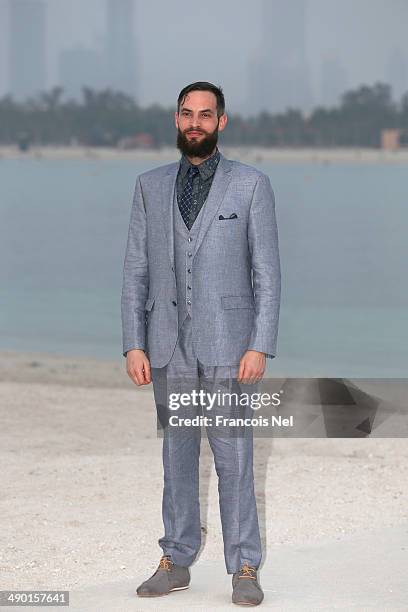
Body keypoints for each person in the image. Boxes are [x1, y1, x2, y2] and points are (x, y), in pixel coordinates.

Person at [121, 81, 281, 606]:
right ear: (176, 120)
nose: (196, 122)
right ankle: (177, 557)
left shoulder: (251, 186)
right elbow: (136, 272)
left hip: (231, 345)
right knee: (178, 457)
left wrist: (260, 343)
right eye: (188, 114)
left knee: (234, 456)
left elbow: (267, 274)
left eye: (205, 115)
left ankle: (246, 566)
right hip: (167, 346)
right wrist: (133, 343)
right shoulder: (149, 185)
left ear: (221, 122)